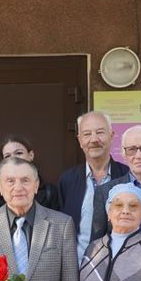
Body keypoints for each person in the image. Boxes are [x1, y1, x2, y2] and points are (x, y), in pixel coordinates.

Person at [58, 111, 128, 261]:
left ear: (112, 135)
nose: (94, 139)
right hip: (76, 268)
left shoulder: (127, 177)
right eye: (87, 134)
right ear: (80, 140)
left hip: (117, 268)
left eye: (100, 132)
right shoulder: (67, 180)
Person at [0, 136, 62, 211]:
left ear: (31, 155)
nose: (13, 158)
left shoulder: (49, 192)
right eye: (7, 156)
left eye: (18, 153)